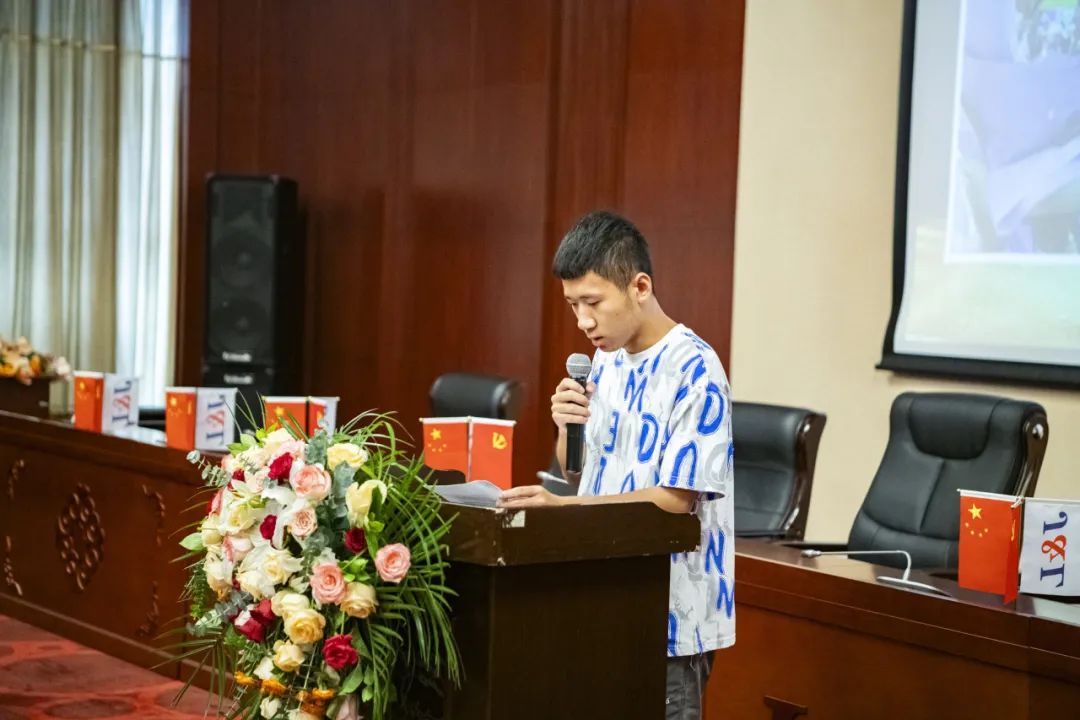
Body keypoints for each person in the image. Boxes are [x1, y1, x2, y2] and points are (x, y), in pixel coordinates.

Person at [498, 210, 735, 720]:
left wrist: (562, 509)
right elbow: (579, 475)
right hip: (602, 596)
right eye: (572, 305)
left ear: (639, 287)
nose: (583, 321)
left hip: (668, 617)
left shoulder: (696, 368)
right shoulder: (603, 360)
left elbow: (674, 500)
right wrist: (567, 429)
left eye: (593, 302)